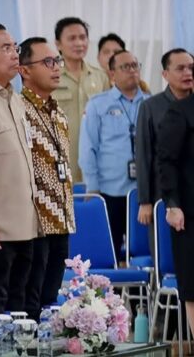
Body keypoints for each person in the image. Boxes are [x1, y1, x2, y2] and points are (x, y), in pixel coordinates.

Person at [0, 23, 39, 315]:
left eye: (15, 47)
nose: (15, 54)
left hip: (27, 224)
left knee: (21, 306)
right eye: (5, 48)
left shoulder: (15, 98)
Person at [18, 37, 76, 320]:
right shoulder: (18, 109)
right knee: (31, 299)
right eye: (48, 62)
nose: (56, 68)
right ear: (24, 70)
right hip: (35, 221)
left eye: (58, 61)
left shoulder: (58, 112)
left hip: (61, 217)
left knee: (51, 299)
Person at [79, 50, 148, 261]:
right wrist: (92, 187)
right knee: (111, 251)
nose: (132, 71)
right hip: (110, 190)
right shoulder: (98, 104)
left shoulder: (151, 103)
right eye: (125, 67)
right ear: (112, 73)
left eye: (135, 65)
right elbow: (88, 148)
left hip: (144, 193)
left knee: (147, 249)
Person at [135, 49, 193, 251]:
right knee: (166, 252)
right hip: (164, 192)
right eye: (180, 68)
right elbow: (143, 155)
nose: (188, 73)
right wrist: (145, 201)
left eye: (191, 68)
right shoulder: (151, 106)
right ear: (165, 74)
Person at [53, 17, 111, 181]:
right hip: (61, 156)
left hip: (95, 157)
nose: (79, 43)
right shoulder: (51, 77)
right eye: (72, 38)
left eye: (82, 37)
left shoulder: (100, 77)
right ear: (58, 44)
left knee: (93, 196)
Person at [156, 92, 194, 340]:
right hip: (189, 213)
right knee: (193, 286)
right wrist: (172, 204)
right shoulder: (180, 111)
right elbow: (166, 160)